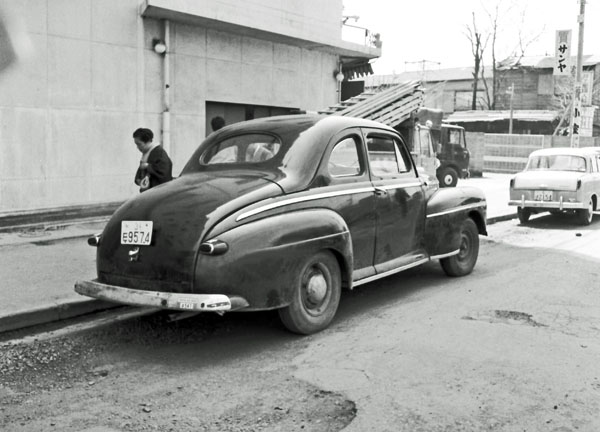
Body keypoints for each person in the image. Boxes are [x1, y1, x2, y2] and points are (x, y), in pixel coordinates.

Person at [132, 128, 173, 193]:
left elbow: (164, 171)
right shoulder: (147, 152)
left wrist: (148, 166)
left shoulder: (159, 152)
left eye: (139, 144)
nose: (138, 147)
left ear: (147, 141)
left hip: (157, 192)